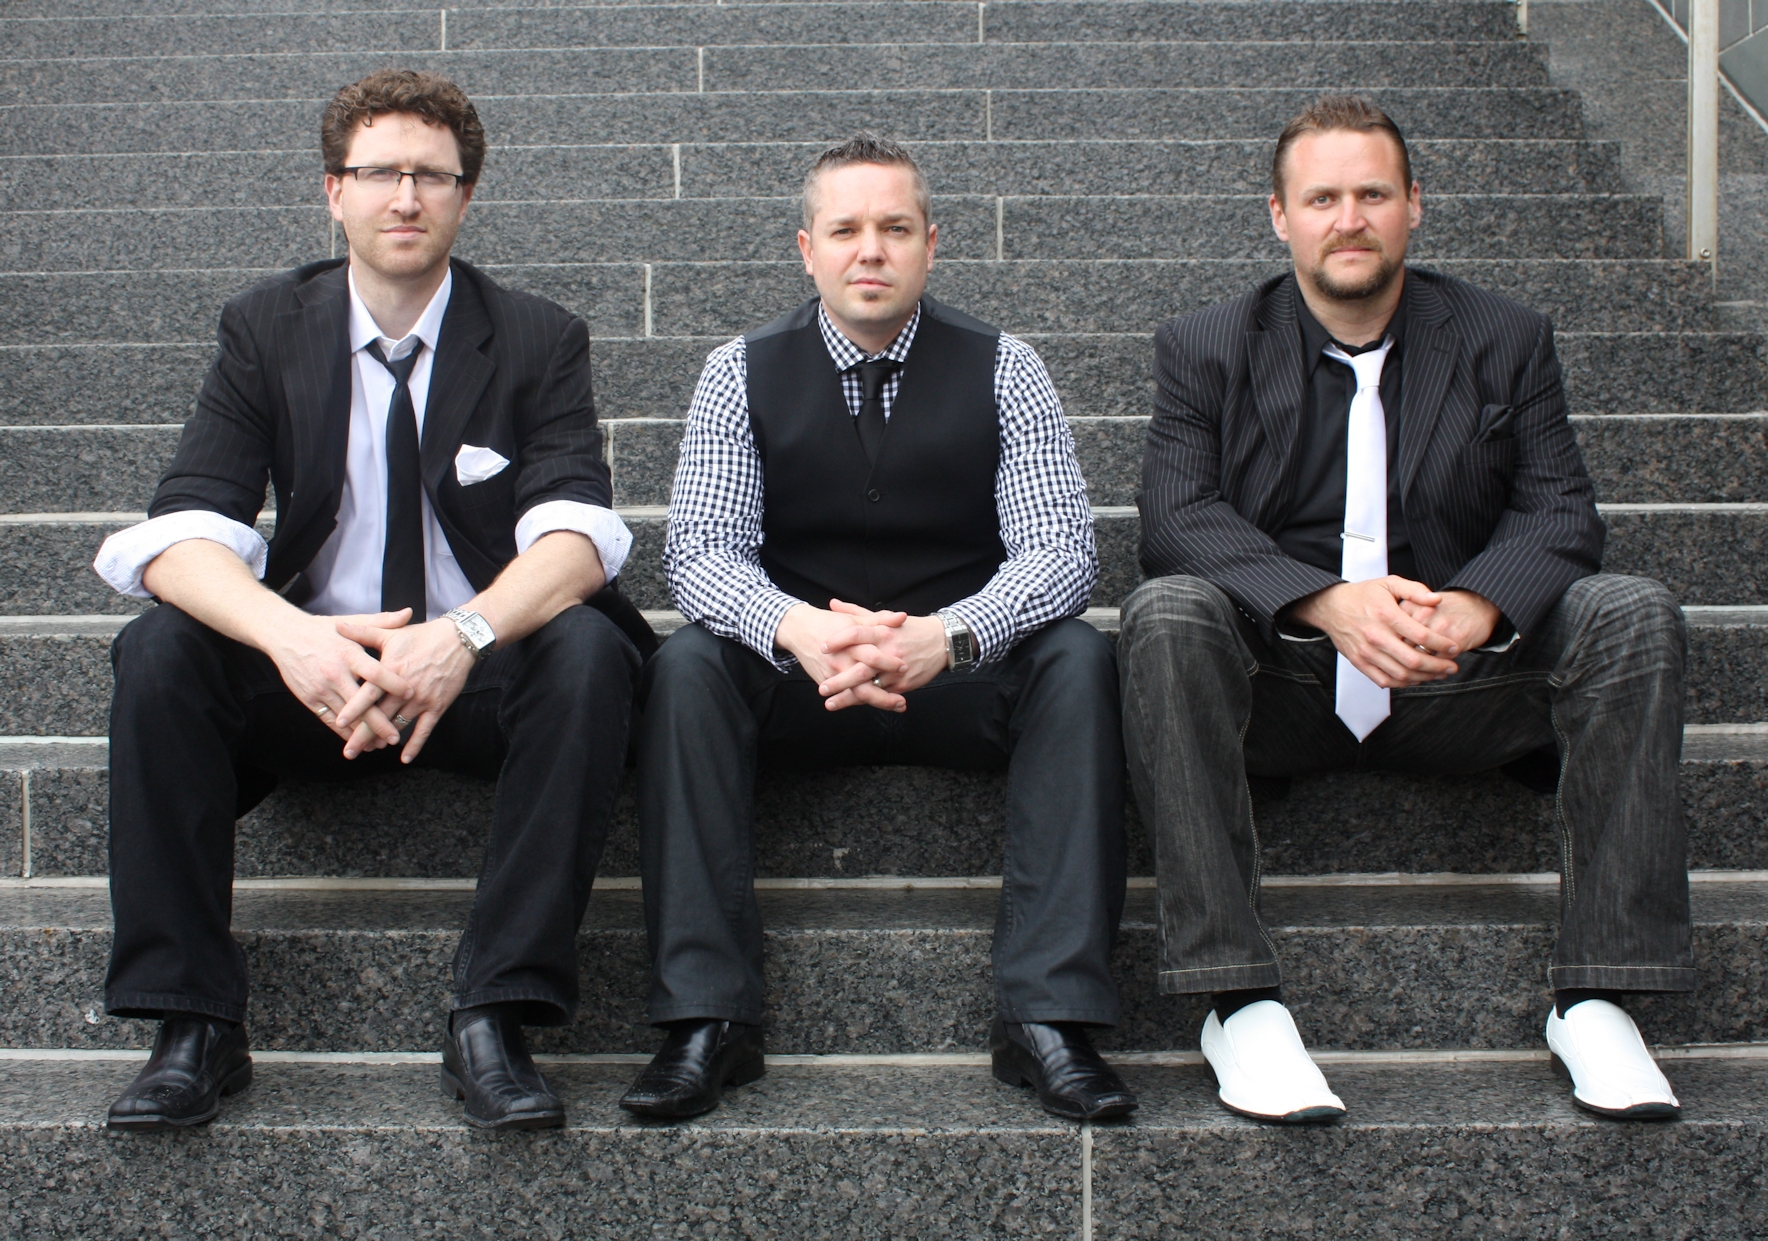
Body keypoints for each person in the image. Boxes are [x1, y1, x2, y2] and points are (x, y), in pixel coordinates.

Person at [92, 68, 653, 1133]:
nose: (405, 196)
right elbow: (179, 536)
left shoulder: (537, 337)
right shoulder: (265, 328)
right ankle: (191, 1022)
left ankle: (495, 1013)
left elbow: (579, 538)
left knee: (587, 651)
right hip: (318, 680)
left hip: (472, 678)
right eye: (379, 172)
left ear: (465, 196)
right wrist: (292, 637)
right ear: (333, 190)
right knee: (160, 650)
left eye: (431, 176)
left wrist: (464, 633)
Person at [1120, 94, 1691, 1123]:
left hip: (1453, 676)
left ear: (1414, 205)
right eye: (1322, 198)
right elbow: (1175, 517)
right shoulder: (1205, 346)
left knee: (1632, 611)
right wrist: (1325, 603)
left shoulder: (1505, 339)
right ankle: (1235, 999)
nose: (1349, 219)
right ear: (1279, 215)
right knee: (1165, 611)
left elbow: (1559, 509)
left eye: (1373, 194)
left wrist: (1479, 603)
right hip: (1283, 683)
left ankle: (1600, 993)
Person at [619, 133, 1134, 1122]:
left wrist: (948, 634)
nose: (870, 249)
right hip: (801, 680)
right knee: (685, 666)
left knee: (1077, 659)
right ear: (806, 248)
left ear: (931, 244)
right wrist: (798, 628)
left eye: (894, 228)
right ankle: (706, 1016)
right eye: (845, 229)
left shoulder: (1006, 367)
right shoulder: (737, 371)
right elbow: (702, 554)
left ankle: (1049, 1016)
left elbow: (1062, 552)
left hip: (958, 676)